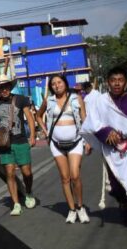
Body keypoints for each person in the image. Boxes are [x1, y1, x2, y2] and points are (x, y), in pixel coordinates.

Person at [81, 67, 127, 234]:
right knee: (116, 184)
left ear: (126, 82)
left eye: (120, 80)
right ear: (108, 82)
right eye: (113, 80)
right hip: (113, 150)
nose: (116, 83)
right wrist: (107, 133)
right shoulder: (101, 101)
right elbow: (93, 123)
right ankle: (123, 203)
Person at [36, 75, 91, 224]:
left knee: (75, 175)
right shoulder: (49, 101)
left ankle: (80, 207)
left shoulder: (76, 98)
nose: (56, 85)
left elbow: (84, 119)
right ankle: (72, 209)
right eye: (53, 84)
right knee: (65, 178)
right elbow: (38, 116)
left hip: (76, 141)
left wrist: (88, 141)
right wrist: (46, 131)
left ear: (65, 84)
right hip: (56, 144)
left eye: (59, 82)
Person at [0, 74, 37, 216]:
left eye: (6, 87)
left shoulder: (20, 99)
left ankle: (29, 192)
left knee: (27, 172)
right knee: (9, 173)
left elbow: (30, 118)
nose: (4, 90)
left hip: (21, 141)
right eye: (1, 87)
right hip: (5, 143)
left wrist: (32, 135)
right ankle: (16, 203)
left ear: (10, 87)